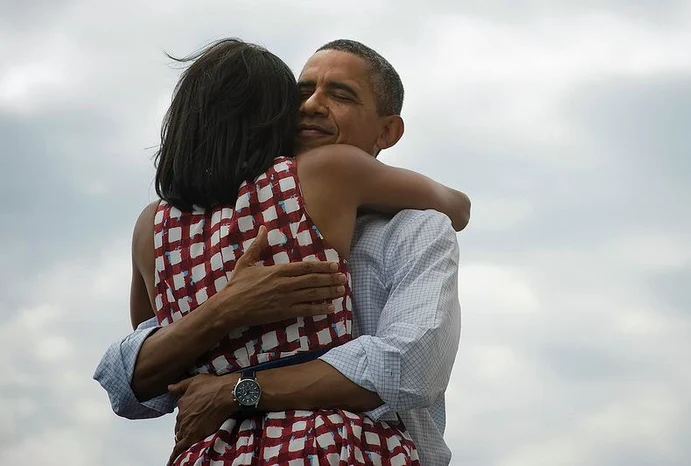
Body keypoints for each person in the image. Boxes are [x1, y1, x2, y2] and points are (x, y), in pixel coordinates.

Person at [95, 39, 465, 466]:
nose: (311, 106)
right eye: (300, 93)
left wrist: (236, 387)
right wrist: (227, 307)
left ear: (387, 131)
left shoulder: (155, 226)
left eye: (340, 95)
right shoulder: (317, 180)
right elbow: (140, 372)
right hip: (330, 445)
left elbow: (410, 367)